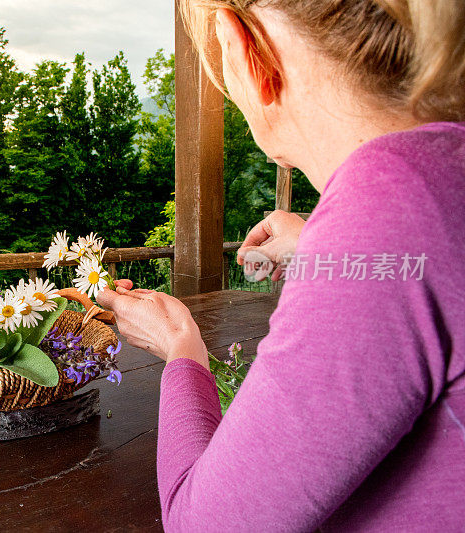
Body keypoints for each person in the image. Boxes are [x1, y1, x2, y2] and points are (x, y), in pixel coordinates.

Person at [96, 1, 465, 531]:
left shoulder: (395, 202)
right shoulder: (438, 177)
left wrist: (182, 347)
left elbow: (204, 524)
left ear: (246, 48)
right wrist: (322, 242)